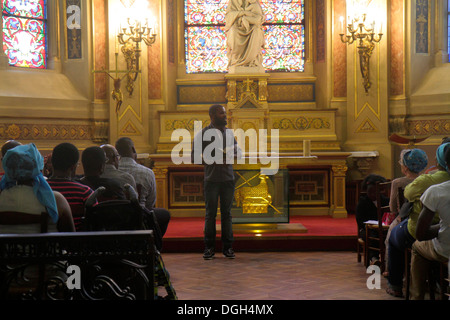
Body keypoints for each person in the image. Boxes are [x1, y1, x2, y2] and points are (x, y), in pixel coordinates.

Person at [386, 142, 450, 297]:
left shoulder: (429, 185)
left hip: (437, 239)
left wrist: (441, 228)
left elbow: (421, 232)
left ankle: (400, 286)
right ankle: (435, 281)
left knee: (397, 238)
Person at [191, 104, 242, 260]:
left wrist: (234, 153)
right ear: (212, 115)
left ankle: (228, 247)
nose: (225, 116)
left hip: (228, 179)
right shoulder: (203, 134)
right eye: (222, 113)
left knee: (227, 214)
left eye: (225, 113)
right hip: (211, 180)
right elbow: (194, 157)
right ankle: (209, 248)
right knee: (210, 214)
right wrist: (213, 159)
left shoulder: (229, 133)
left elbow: (238, 152)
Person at [0, 143, 75, 233]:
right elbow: (71, 238)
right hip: (44, 247)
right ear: (38, 168)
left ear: (8, 169)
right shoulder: (56, 200)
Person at [409, 146, 450, 299]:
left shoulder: (436, 191)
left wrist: (443, 225)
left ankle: (417, 296)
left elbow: (421, 233)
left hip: (446, 249)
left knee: (416, 247)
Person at [383, 148, 428, 274]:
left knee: (389, 239)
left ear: (406, 167)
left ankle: (390, 271)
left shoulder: (397, 182)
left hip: (403, 220)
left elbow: (392, 208)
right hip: (424, 220)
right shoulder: (426, 180)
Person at [115, 137, 170, 238]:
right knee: (164, 214)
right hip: (139, 217)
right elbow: (150, 203)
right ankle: (153, 244)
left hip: (114, 217)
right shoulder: (147, 172)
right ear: (133, 150)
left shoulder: (112, 172)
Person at [47, 143, 95, 231]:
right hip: (77, 241)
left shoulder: (40, 189)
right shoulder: (85, 193)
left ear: (52, 164)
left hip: (46, 242)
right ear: (73, 167)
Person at [355, 174, 389, 264]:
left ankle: (388, 259)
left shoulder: (385, 201)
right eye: (370, 192)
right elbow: (360, 220)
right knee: (372, 237)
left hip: (383, 228)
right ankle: (374, 258)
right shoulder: (362, 202)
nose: (372, 195)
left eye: (374, 192)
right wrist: (371, 226)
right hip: (368, 229)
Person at [225, 0, 265, 71]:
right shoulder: (233, 2)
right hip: (237, 26)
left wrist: (248, 19)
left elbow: (259, 18)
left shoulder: (254, 2)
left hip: (252, 27)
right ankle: (237, 60)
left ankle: (252, 61)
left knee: (257, 31)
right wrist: (243, 13)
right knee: (233, 32)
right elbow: (228, 17)